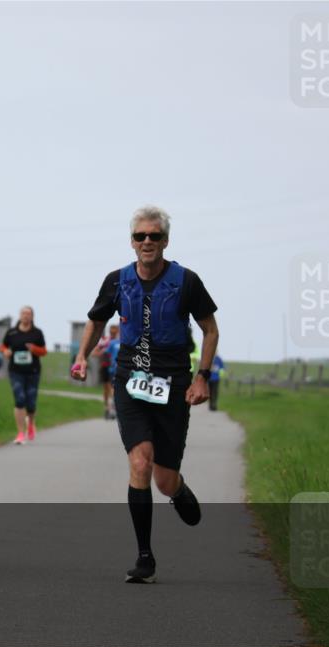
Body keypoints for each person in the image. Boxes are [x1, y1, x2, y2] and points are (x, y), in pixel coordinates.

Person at [71, 205, 219, 584]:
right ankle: (145, 556)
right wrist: (82, 357)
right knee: (140, 462)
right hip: (131, 382)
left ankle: (178, 489)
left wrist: (202, 376)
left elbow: (210, 330)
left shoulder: (186, 281)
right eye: (141, 236)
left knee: (163, 479)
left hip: (173, 384)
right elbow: (96, 320)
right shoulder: (117, 280)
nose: (148, 242)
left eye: (154, 236)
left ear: (165, 241)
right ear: (132, 242)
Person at [1, 307, 47, 443]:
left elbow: (44, 351)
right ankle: (20, 433)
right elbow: (3, 346)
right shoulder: (11, 332)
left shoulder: (37, 333)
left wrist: (34, 349)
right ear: (20, 316)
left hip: (33, 371)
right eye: (23, 313)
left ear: (32, 316)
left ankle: (31, 424)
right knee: (19, 399)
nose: (25, 316)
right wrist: (5, 352)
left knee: (31, 403)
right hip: (15, 371)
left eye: (28, 314)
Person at [94, 324, 121, 420]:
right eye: (111, 332)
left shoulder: (120, 341)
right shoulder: (106, 341)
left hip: (113, 368)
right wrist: (102, 355)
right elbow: (95, 352)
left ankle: (112, 408)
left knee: (112, 389)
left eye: (114, 332)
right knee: (107, 389)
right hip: (106, 367)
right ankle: (107, 408)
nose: (112, 333)